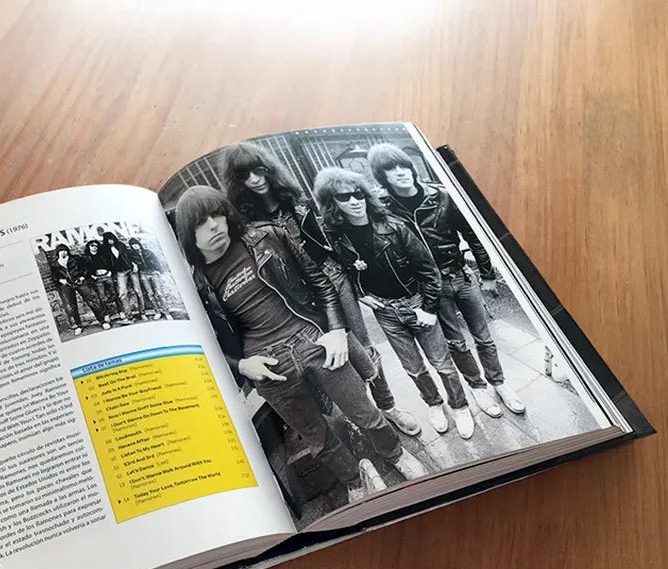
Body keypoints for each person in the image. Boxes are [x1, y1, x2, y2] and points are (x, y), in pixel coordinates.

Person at [174, 185, 427, 496]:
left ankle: (396, 455)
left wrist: (335, 330)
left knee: (365, 413)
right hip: (267, 366)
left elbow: (320, 283)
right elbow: (202, 342)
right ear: (188, 235)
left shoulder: (267, 237)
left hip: (312, 339)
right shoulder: (197, 285)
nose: (213, 225)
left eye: (217, 215)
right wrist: (241, 366)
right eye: (201, 222)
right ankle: (354, 481)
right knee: (317, 439)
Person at [217, 142, 420, 437]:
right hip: (298, 294)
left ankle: (388, 406)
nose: (255, 179)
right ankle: (359, 417)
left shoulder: (296, 199)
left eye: (258, 170)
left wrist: (359, 283)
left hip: (332, 276)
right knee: (324, 356)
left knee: (362, 346)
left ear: (268, 168)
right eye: (244, 176)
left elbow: (333, 241)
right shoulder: (247, 220)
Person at [313, 167, 476, 439]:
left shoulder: (394, 226)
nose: (354, 201)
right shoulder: (338, 236)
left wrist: (428, 308)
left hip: (416, 302)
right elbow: (344, 270)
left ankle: (460, 406)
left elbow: (428, 270)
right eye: (344, 197)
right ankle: (434, 403)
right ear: (333, 203)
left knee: (442, 363)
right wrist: (362, 293)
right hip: (387, 312)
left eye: (358, 194)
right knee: (413, 367)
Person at [368, 143, 525, 415]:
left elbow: (473, 235)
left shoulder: (441, 197)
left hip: (461, 276)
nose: (400, 172)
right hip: (431, 287)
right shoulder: (384, 209)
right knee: (456, 342)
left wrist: (487, 273)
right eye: (391, 169)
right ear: (382, 176)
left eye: (403, 165)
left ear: (411, 166)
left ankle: (498, 382)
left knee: (484, 337)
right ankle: (477, 387)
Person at [49, 243, 108, 333]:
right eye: (61, 251)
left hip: (80, 282)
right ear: (57, 252)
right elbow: (54, 277)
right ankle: (78, 326)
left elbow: (87, 268)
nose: (63, 252)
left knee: (92, 301)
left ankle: (103, 321)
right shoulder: (55, 264)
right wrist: (60, 280)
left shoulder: (75, 259)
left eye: (65, 250)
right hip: (67, 285)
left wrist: (83, 276)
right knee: (72, 306)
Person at [101, 231, 144, 321]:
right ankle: (129, 316)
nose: (110, 241)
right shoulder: (105, 250)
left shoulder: (121, 245)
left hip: (130, 269)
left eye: (111, 238)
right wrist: (110, 271)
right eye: (108, 240)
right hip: (120, 273)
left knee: (138, 291)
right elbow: (106, 262)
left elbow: (129, 255)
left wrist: (134, 264)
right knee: (123, 293)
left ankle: (142, 313)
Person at [128, 237, 170, 319]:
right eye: (132, 245)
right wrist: (134, 264)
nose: (135, 246)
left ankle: (166, 312)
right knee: (150, 294)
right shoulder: (132, 255)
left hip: (153, 273)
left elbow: (156, 261)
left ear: (139, 244)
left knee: (159, 293)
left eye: (136, 244)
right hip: (143, 274)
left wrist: (159, 271)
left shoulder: (148, 252)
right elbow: (128, 261)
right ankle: (157, 311)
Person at [81, 239, 116, 327]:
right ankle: (107, 314)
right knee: (102, 297)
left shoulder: (102, 255)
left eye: (96, 246)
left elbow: (110, 263)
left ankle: (120, 311)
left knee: (114, 293)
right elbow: (85, 269)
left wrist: (110, 271)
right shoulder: (86, 257)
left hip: (107, 275)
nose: (94, 247)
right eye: (92, 246)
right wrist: (92, 276)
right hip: (97, 278)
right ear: (89, 247)